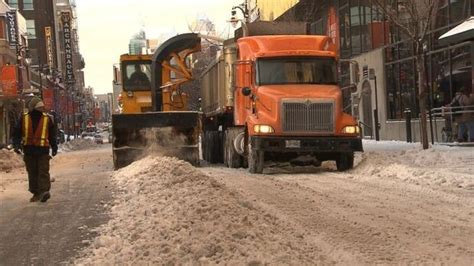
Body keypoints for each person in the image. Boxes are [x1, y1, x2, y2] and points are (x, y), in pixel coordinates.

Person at [12, 96, 58, 202]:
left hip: (42, 151)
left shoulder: (47, 119)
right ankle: (36, 192)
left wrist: (54, 146)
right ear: (33, 108)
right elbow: (17, 133)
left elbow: (52, 135)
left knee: (43, 171)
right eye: (39, 107)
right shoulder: (24, 118)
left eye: (42, 107)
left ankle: (44, 191)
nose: (41, 110)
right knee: (32, 172)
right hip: (29, 150)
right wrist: (16, 145)